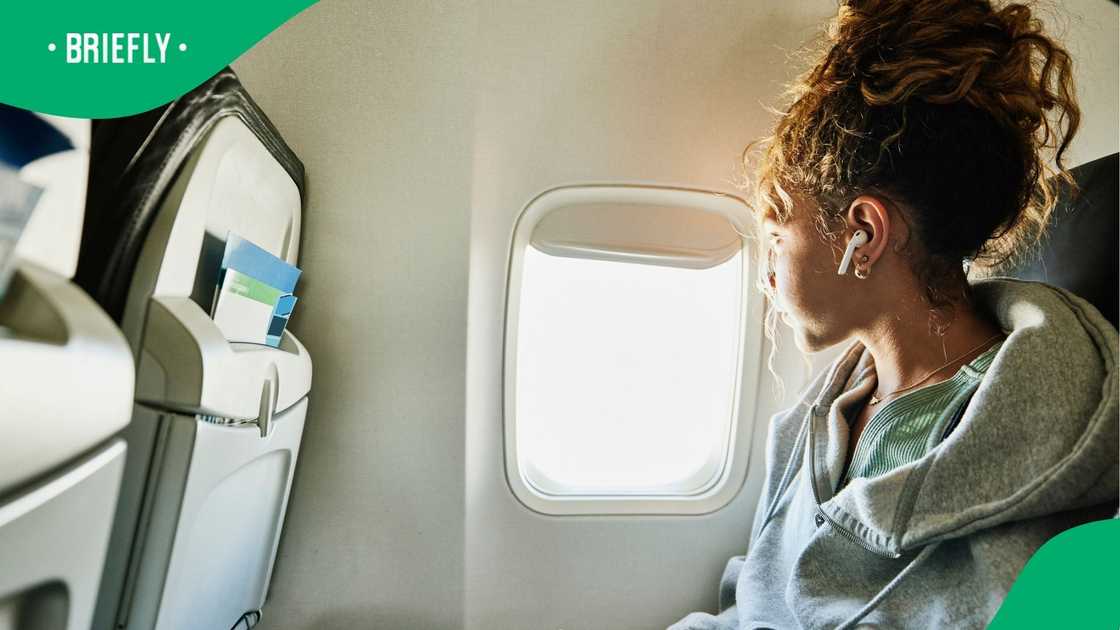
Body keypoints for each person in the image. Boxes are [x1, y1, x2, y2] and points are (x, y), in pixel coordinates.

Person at [670, 0, 1119, 628]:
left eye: (778, 237)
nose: (768, 272)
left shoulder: (1021, 434)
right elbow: (752, 604)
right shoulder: (816, 418)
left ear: (864, 234)